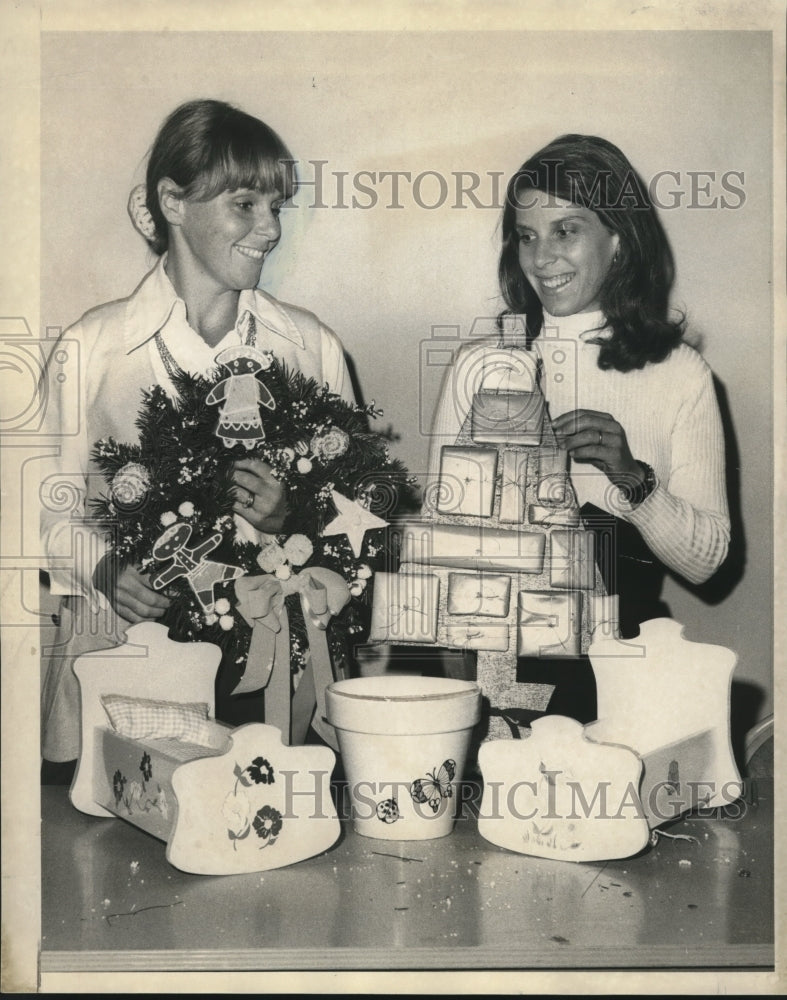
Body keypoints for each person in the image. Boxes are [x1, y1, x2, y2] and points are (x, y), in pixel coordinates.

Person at [40, 99, 355, 771]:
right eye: (246, 204)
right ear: (173, 203)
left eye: (276, 207)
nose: (269, 230)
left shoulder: (310, 349)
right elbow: (37, 512)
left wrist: (291, 513)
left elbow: (361, 517)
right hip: (122, 663)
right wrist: (102, 570)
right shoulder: (91, 350)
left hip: (267, 679)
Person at [426, 133, 730, 721]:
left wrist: (630, 477)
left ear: (619, 239)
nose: (542, 259)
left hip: (622, 667)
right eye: (527, 236)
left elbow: (708, 562)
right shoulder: (476, 366)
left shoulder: (680, 373)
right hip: (500, 664)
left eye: (566, 231)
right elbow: (443, 557)